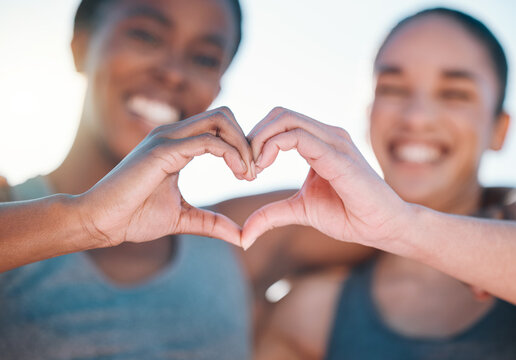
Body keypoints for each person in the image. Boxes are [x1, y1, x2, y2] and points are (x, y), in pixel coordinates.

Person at [0, 0, 372, 358]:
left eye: (204, 59)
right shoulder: (9, 210)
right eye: (146, 36)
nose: (175, 72)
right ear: (81, 45)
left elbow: (401, 218)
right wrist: (86, 220)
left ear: (218, 87)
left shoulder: (238, 239)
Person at [246, 8, 516, 359]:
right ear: (367, 114)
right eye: (392, 88)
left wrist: (402, 224)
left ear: (499, 130)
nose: (416, 117)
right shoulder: (313, 313)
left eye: (454, 94)